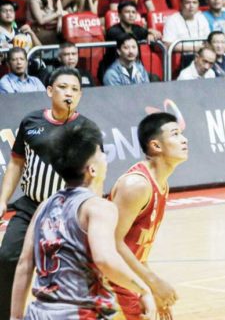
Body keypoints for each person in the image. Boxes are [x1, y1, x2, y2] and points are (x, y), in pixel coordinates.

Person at [10, 121, 156, 320]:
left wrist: (16, 316)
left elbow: (24, 264)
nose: (106, 158)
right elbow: (105, 260)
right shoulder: (98, 207)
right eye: (101, 154)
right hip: (79, 314)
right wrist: (143, 289)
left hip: (39, 313)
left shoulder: (44, 206)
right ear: (92, 170)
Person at [0, 67, 96, 319]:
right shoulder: (31, 122)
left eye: (75, 89)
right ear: (50, 91)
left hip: (65, 214)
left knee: (67, 272)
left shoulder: (86, 129)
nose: (69, 93)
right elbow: (16, 163)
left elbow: (95, 176)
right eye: (63, 87)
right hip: (29, 207)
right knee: (7, 257)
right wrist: (2, 199)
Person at [110, 112, 188, 319]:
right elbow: (112, 244)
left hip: (127, 281)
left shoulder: (161, 184)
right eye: (175, 134)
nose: (184, 139)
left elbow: (137, 251)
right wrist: (152, 283)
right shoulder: (136, 185)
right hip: (106, 285)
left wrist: (151, 288)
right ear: (156, 146)